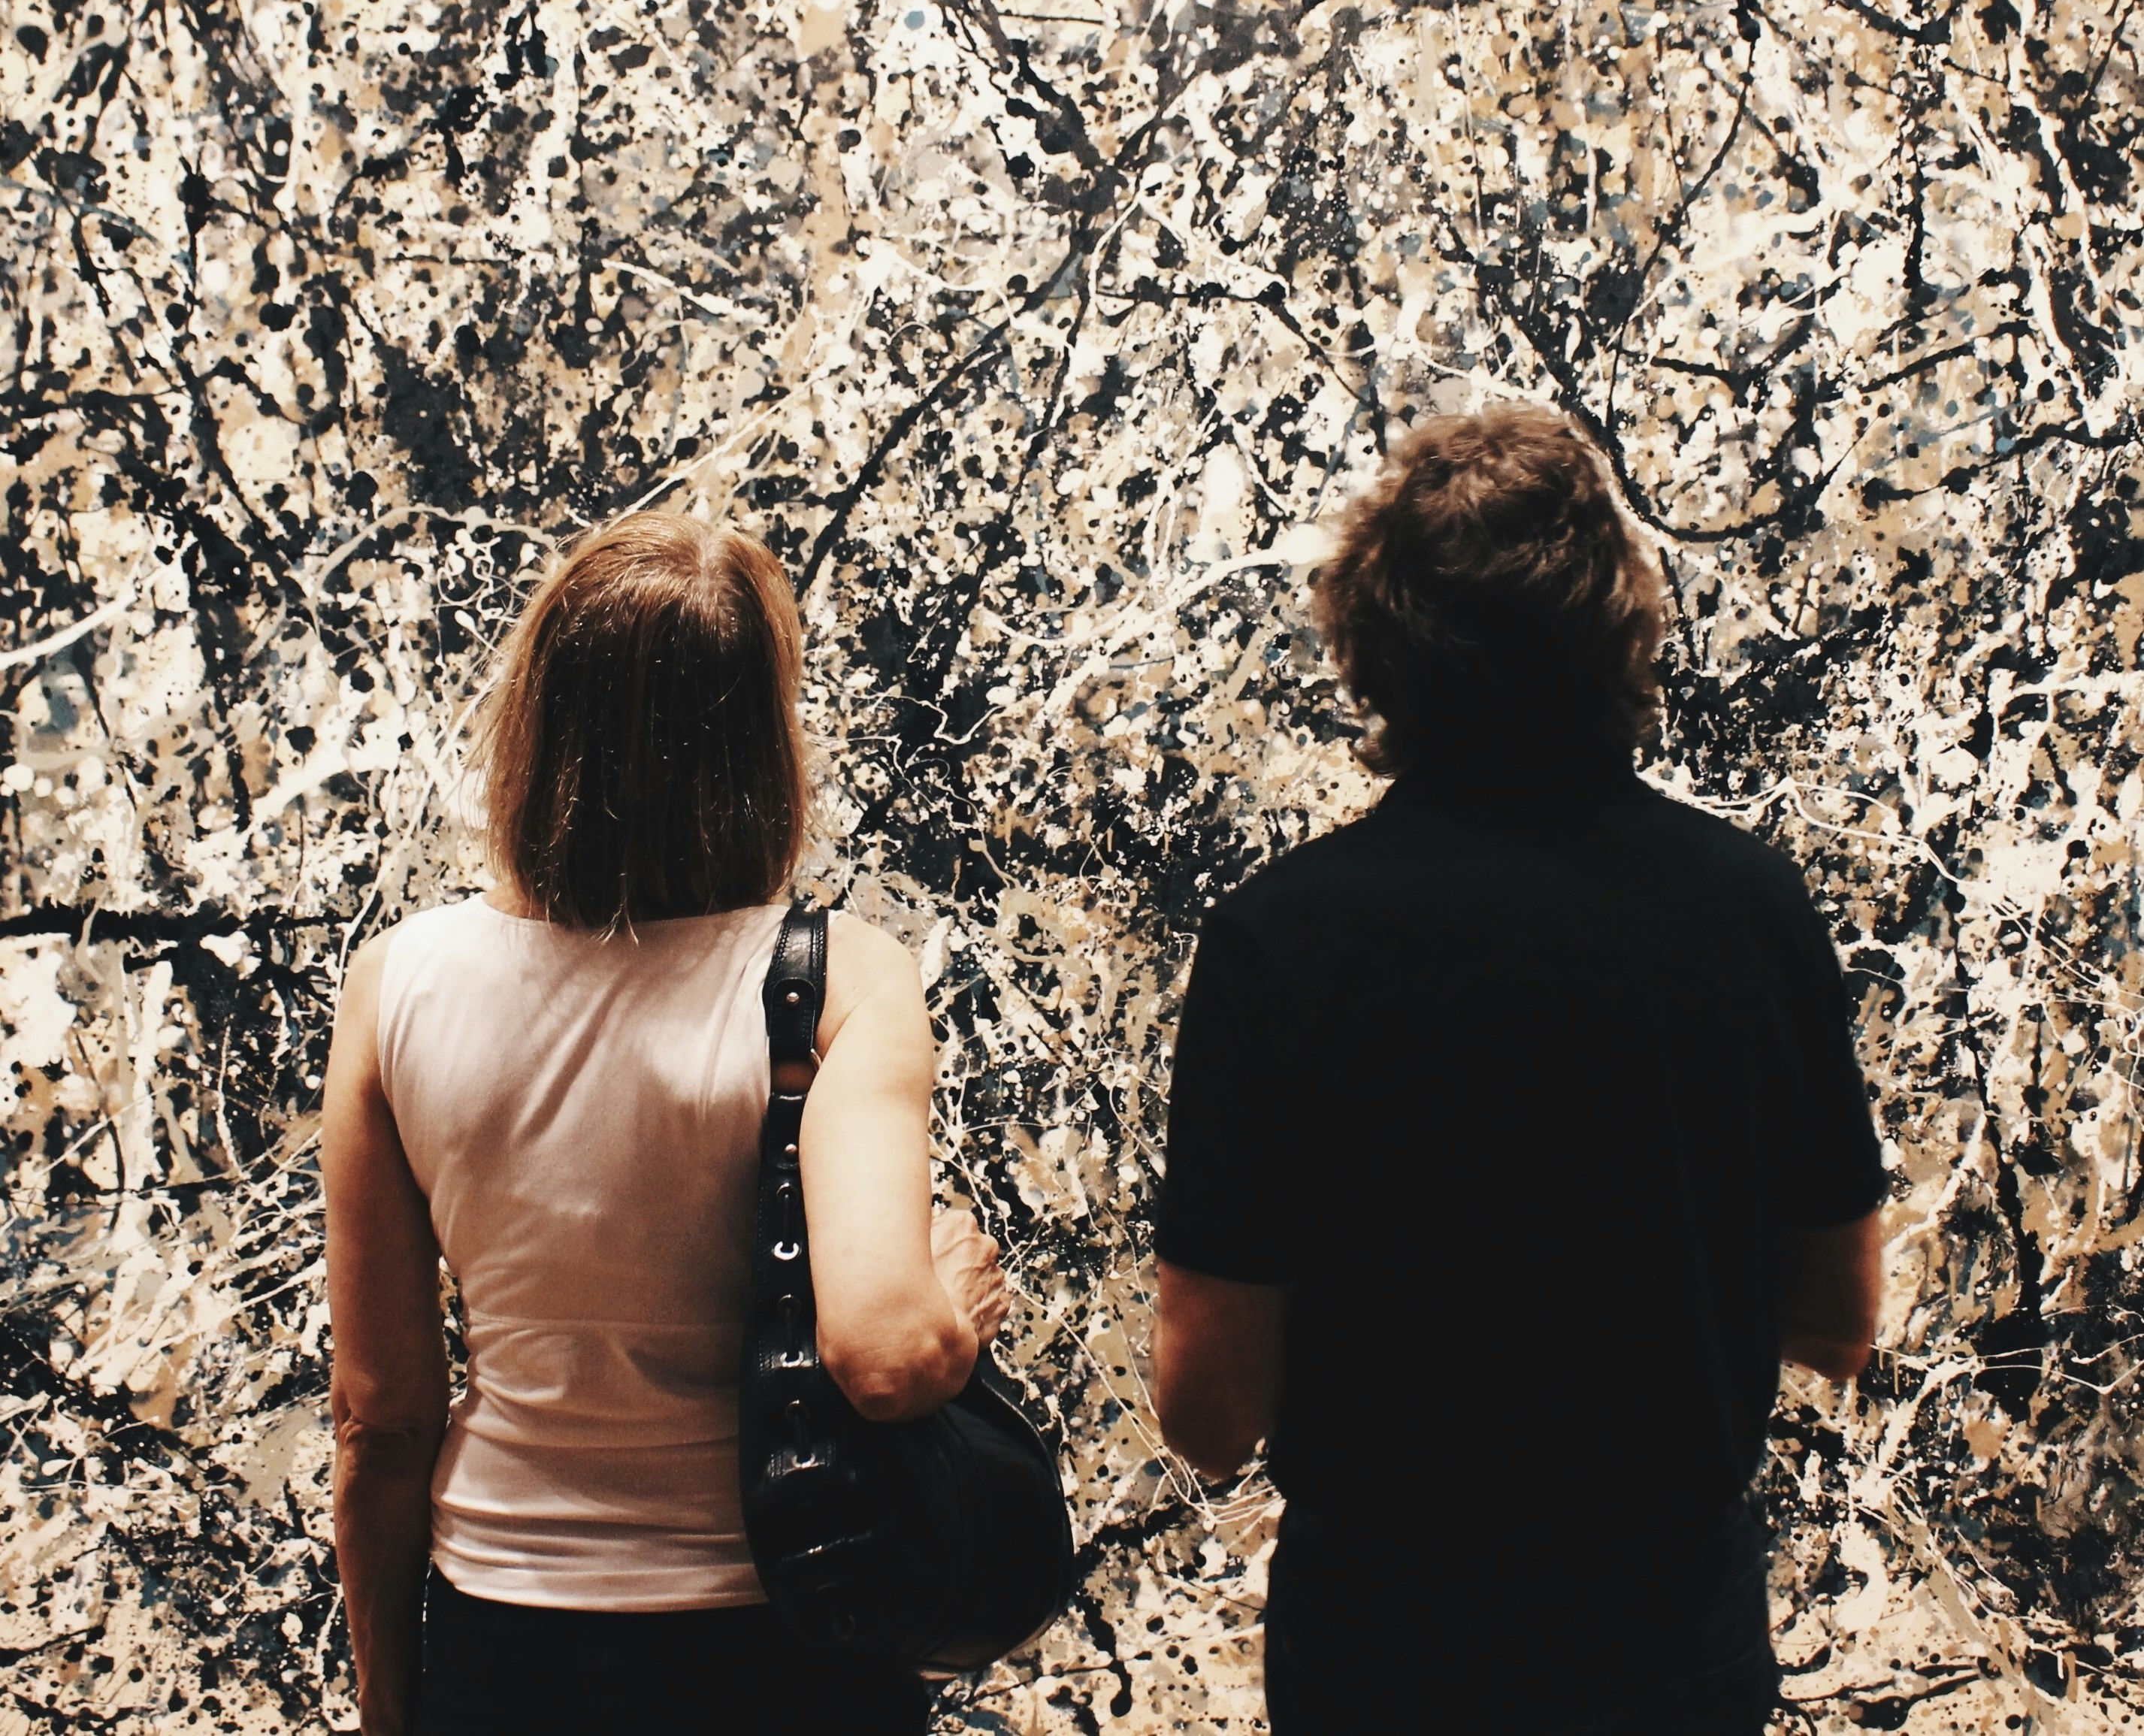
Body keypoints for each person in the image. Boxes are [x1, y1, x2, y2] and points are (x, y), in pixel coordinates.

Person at [1151, 404, 1885, 1735]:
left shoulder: (1278, 941)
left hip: (1387, 1648)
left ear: (1372, 642)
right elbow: (1838, 1317)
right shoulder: (1750, 909)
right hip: (1665, 1638)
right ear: (1621, 628)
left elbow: (1206, 1409)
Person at [321, 513, 1009, 1736]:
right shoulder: (839, 979)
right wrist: (953, 1301)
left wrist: (387, 1707)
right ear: (762, 741)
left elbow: (381, 1422)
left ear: (536, 722)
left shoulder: (395, 986)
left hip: (509, 1645)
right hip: (781, 1643)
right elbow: (891, 1356)